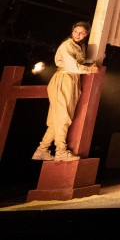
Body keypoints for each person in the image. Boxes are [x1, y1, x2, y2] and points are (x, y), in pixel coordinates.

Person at [32, 21, 100, 162]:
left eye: (81, 33)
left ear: (86, 34)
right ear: (72, 31)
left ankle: (41, 150)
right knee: (63, 117)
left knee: (56, 120)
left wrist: (95, 61)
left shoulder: (79, 46)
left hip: (72, 79)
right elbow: (72, 65)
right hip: (64, 79)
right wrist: (89, 69)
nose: (78, 34)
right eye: (76, 31)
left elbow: (79, 62)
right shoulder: (67, 45)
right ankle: (61, 151)